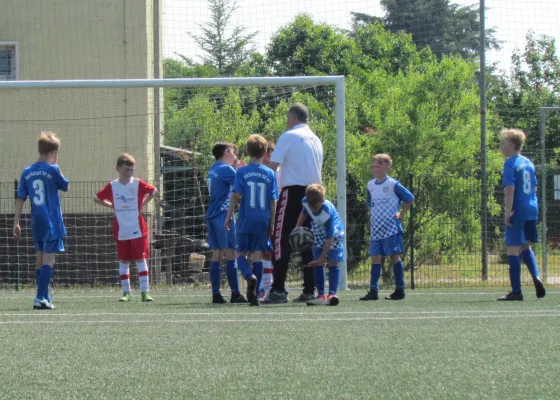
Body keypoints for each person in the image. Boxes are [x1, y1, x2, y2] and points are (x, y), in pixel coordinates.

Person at [262, 103, 324, 304]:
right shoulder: (315, 139)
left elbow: (272, 167)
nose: (287, 122)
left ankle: (278, 289)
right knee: (307, 241)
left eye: (288, 118)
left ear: (293, 118)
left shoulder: (289, 136)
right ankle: (309, 289)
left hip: (293, 193)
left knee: (281, 238)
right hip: (314, 194)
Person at [14, 131, 69, 310]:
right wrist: (57, 165)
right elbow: (65, 185)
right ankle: (39, 298)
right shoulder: (52, 169)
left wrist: (16, 221)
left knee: (39, 259)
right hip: (51, 220)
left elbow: (21, 197)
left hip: (36, 221)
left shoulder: (27, 171)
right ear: (53, 152)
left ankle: (44, 297)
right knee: (49, 259)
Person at [94, 153, 157, 302]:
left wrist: (142, 203)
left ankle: (145, 292)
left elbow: (153, 191)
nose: (129, 173)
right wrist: (111, 205)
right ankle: (126, 292)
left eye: (131, 170)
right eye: (126, 170)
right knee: (123, 261)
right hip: (121, 230)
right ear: (118, 169)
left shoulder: (137, 183)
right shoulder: (113, 186)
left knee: (141, 260)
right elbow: (96, 198)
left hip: (138, 229)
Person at [225, 135, 278, 306]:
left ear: (248, 152)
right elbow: (272, 200)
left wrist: (228, 216)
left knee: (240, 253)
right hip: (263, 219)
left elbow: (235, 195)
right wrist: (272, 222)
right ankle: (255, 293)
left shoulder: (242, 172)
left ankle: (249, 276)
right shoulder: (270, 173)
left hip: (246, 218)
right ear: (265, 152)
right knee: (258, 255)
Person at [498, 129, 546, 301]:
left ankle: (516, 291)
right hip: (532, 208)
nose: (501, 147)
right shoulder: (529, 163)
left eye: (503, 143)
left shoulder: (510, 163)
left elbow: (510, 189)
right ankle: (537, 276)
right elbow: (534, 187)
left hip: (518, 209)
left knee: (512, 249)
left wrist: (508, 211)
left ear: (511, 145)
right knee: (526, 246)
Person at [360, 154, 414, 301]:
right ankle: (373, 290)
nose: (375, 169)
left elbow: (409, 198)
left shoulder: (392, 184)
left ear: (387, 167)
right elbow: (370, 204)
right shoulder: (370, 185)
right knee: (375, 258)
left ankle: (399, 289)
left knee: (394, 256)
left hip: (391, 228)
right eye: (373, 166)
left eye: (378, 166)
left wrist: (402, 213)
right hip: (376, 229)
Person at [205, 142, 248, 304]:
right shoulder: (225, 169)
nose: (236, 157)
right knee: (231, 253)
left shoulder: (213, 169)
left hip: (212, 215)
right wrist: (242, 170)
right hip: (224, 215)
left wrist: (237, 169)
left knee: (217, 254)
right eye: (234, 153)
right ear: (227, 151)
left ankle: (216, 293)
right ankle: (235, 293)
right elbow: (241, 186)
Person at [296, 184, 345, 306]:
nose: (313, 209)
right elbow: (304, 213)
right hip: (317, 230)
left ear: (322, 201)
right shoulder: (306, 201)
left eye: (316, 206)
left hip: (334, 234)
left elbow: (329, 239)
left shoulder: (326, 212)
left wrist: (321, 259)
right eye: (311, 206)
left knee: (333, 262)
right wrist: (297, 228)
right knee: (317, 263)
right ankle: (321, 295)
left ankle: (332, 294)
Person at [260, 138, 276, 298]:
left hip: (273, 214)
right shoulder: (259, 171)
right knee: (262, 251)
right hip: (261, 215)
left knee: (271, 251)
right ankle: (265, 286)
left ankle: (270, 286)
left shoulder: (275, 172)